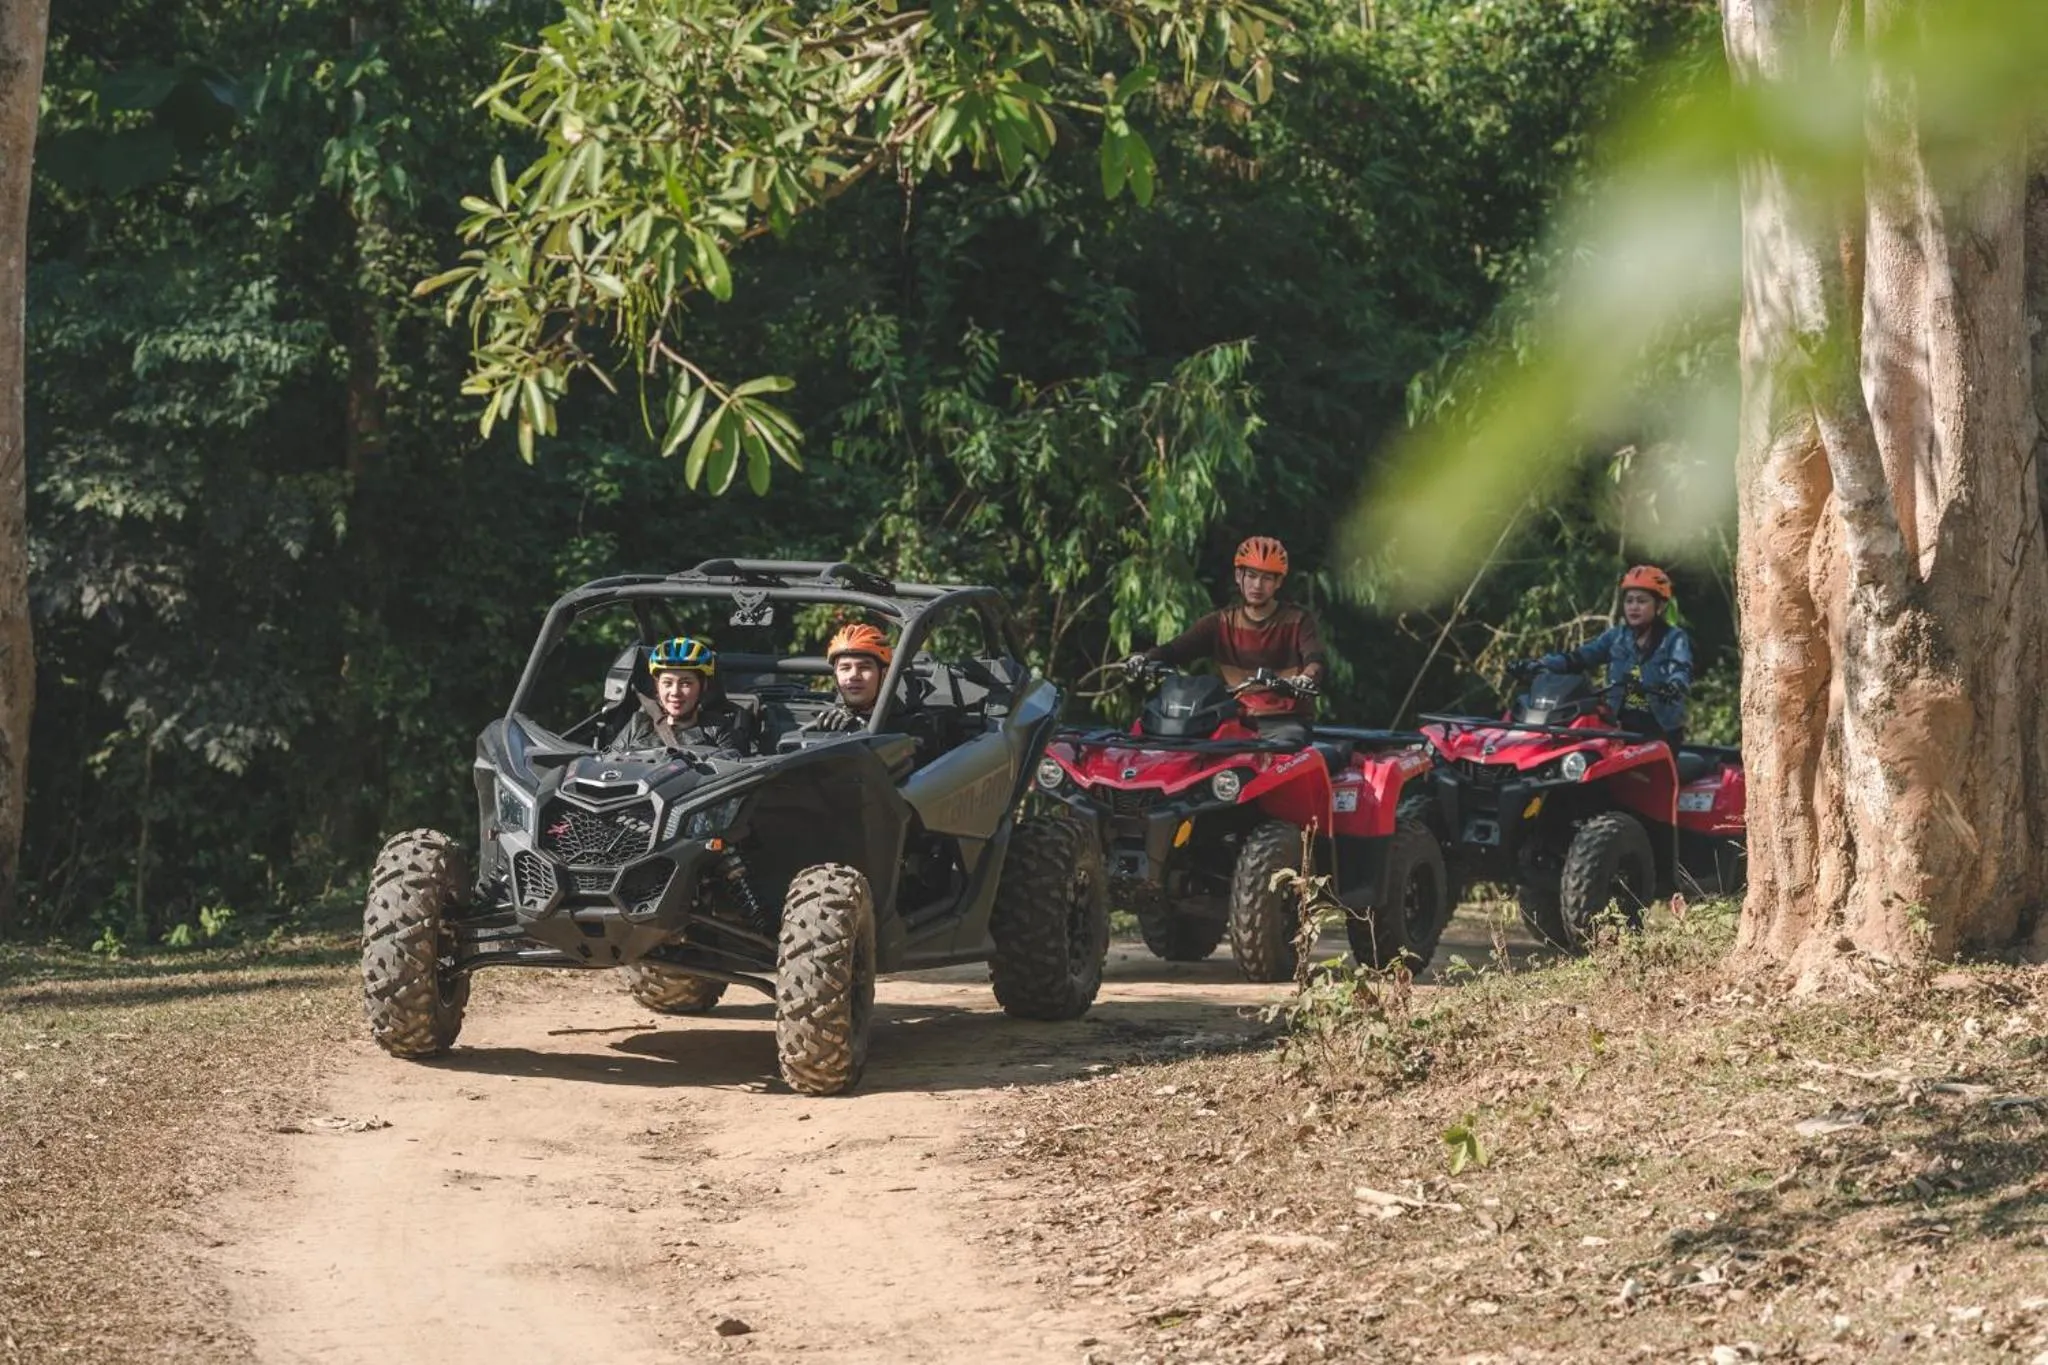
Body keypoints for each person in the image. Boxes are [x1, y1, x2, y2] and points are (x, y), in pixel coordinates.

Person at [1126, 536, 1328, 744]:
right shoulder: (1220, 622)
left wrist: (1305, 678)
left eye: (1267, 578)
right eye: (1251, 575)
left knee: (1280, 757)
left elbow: (1315, 659)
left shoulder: (1298, 620)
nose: (1257, 585)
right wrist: (1145, 659)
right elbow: (1175, 649)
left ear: (1278, 582)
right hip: (1232, 719)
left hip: (1282, 722)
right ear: (1238, 576)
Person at [1516, 564, 1693, 743]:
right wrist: (1540, 664)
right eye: (1629, 600)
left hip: (1659, 729)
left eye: (1641, 601)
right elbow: (1580, 657)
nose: (1634, 607)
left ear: (1660, 606)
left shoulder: (1673, 638)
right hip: (1617, 726)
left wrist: (1674, 685)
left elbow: (1680, 668)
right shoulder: (1615, 636)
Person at [608, 635, 755, 757]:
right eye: (667, 683)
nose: (675, 692)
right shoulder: (638, 725)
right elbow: (609, 764)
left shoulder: (720, 730)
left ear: (703, 686)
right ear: (657, 687)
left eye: (686, 683)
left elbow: (731, 778)